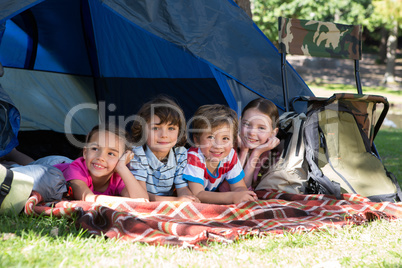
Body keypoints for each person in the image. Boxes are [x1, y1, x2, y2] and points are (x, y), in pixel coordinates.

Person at [182, 104, 258, 204]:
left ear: (233, 141)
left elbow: (239, 186)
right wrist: (233, 196)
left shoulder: (230, 155)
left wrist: (244, 195)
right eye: (210, 137)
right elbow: (199, 194)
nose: (218, 146)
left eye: (225, 138)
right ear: (197, 140)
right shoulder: (194, 156)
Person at [54, 123, 149, 203]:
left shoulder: (117, 176)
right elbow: (87, 198)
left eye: (111, 153)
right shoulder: (77, 170)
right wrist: (123, 201)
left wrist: (122, 167)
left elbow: (142, 200)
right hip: (54, 165)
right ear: (85, 152)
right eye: (95, 149)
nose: (100, 157)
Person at [129, 96, 199, 202]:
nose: (164, 135)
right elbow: (141, 196)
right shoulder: (137, 153)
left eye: (171, 128)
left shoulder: (180, 153)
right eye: (155, 128)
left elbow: (182, 188)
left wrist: (189, 199)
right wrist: (176, 200)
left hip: (167, 204)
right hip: (144, 205)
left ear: (179, 132)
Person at [236, 98, 281, 190]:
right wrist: (243, 152)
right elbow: (235, 187)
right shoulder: (226, 147)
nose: (252, 132)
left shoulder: (272, 157)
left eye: (261, 128)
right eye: (247, 124)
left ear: (273, 133)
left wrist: (256, 153)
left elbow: (243, 187)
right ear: (239, 122)